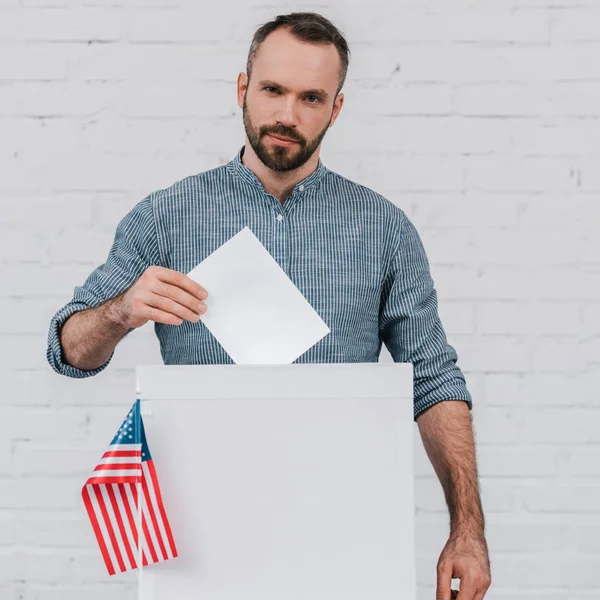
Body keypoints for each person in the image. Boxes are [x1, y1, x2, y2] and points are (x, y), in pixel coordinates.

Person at [46, 12, 491, 599]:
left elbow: (434, 381)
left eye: (311, 98)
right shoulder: (165, 217)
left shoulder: (384, 229)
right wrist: (122, 310)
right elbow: (68, 351)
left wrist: (468, 528)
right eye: (272, 90)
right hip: (196, 536)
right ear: (242, 89)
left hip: (342, 532)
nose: (287, 115)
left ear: (335, 109)